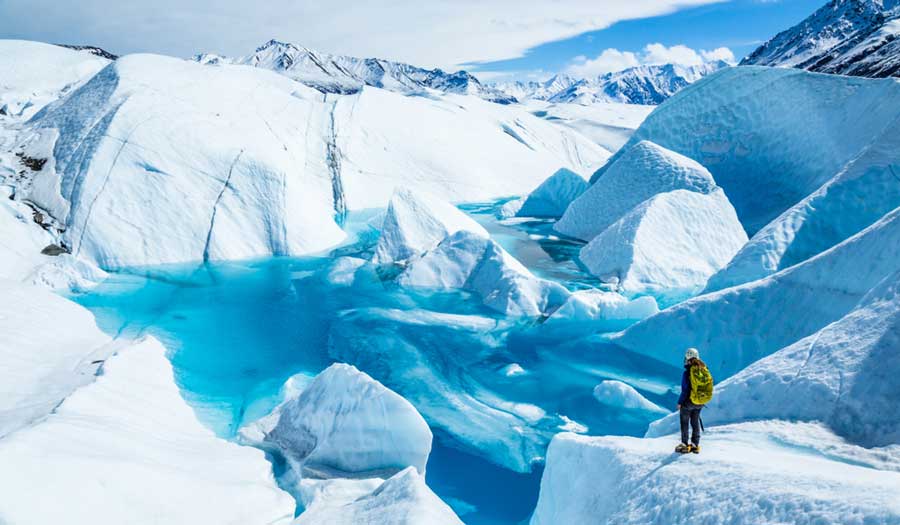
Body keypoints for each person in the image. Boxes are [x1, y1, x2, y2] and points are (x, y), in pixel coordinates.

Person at [676, 347, 709, 454]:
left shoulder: (688, 373)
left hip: (689, 401)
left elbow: (685, 390)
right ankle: (695, 444)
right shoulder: (703, 369)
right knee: (695, 421)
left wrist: (680, 402)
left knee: (684, 421)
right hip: (700, 401)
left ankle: (684, 443)